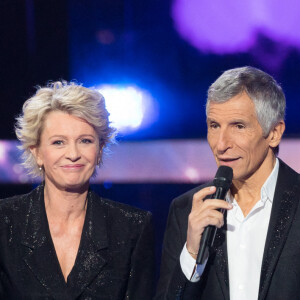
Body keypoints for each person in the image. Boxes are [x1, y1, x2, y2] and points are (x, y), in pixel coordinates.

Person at [155, 66, 300, 299]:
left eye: (238, 126)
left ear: (274, 133)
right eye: (214, 126)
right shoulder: (186, 211)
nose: (221, 144)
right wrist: (192, 252)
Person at [0, 81, 154, 299]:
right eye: (58, 142)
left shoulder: (131, 227)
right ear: (37, 152)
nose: (73, 154)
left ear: (99, 150)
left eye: (85, 141)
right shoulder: (5, 222)